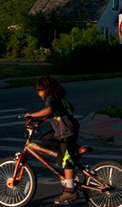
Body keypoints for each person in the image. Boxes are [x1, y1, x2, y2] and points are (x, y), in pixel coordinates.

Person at [25, 75, 80, 205]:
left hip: (65, 132)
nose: (38, 94)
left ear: (45, 89)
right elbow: (69, 109)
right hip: (70, 128)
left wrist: (32, 115)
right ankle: (68, 153)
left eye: (39, 91)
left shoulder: (51, 98)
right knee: (45, 139)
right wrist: (41, 120)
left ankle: (70, 190)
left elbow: (49, 109)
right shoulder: (60, 98)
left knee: (67, 159)